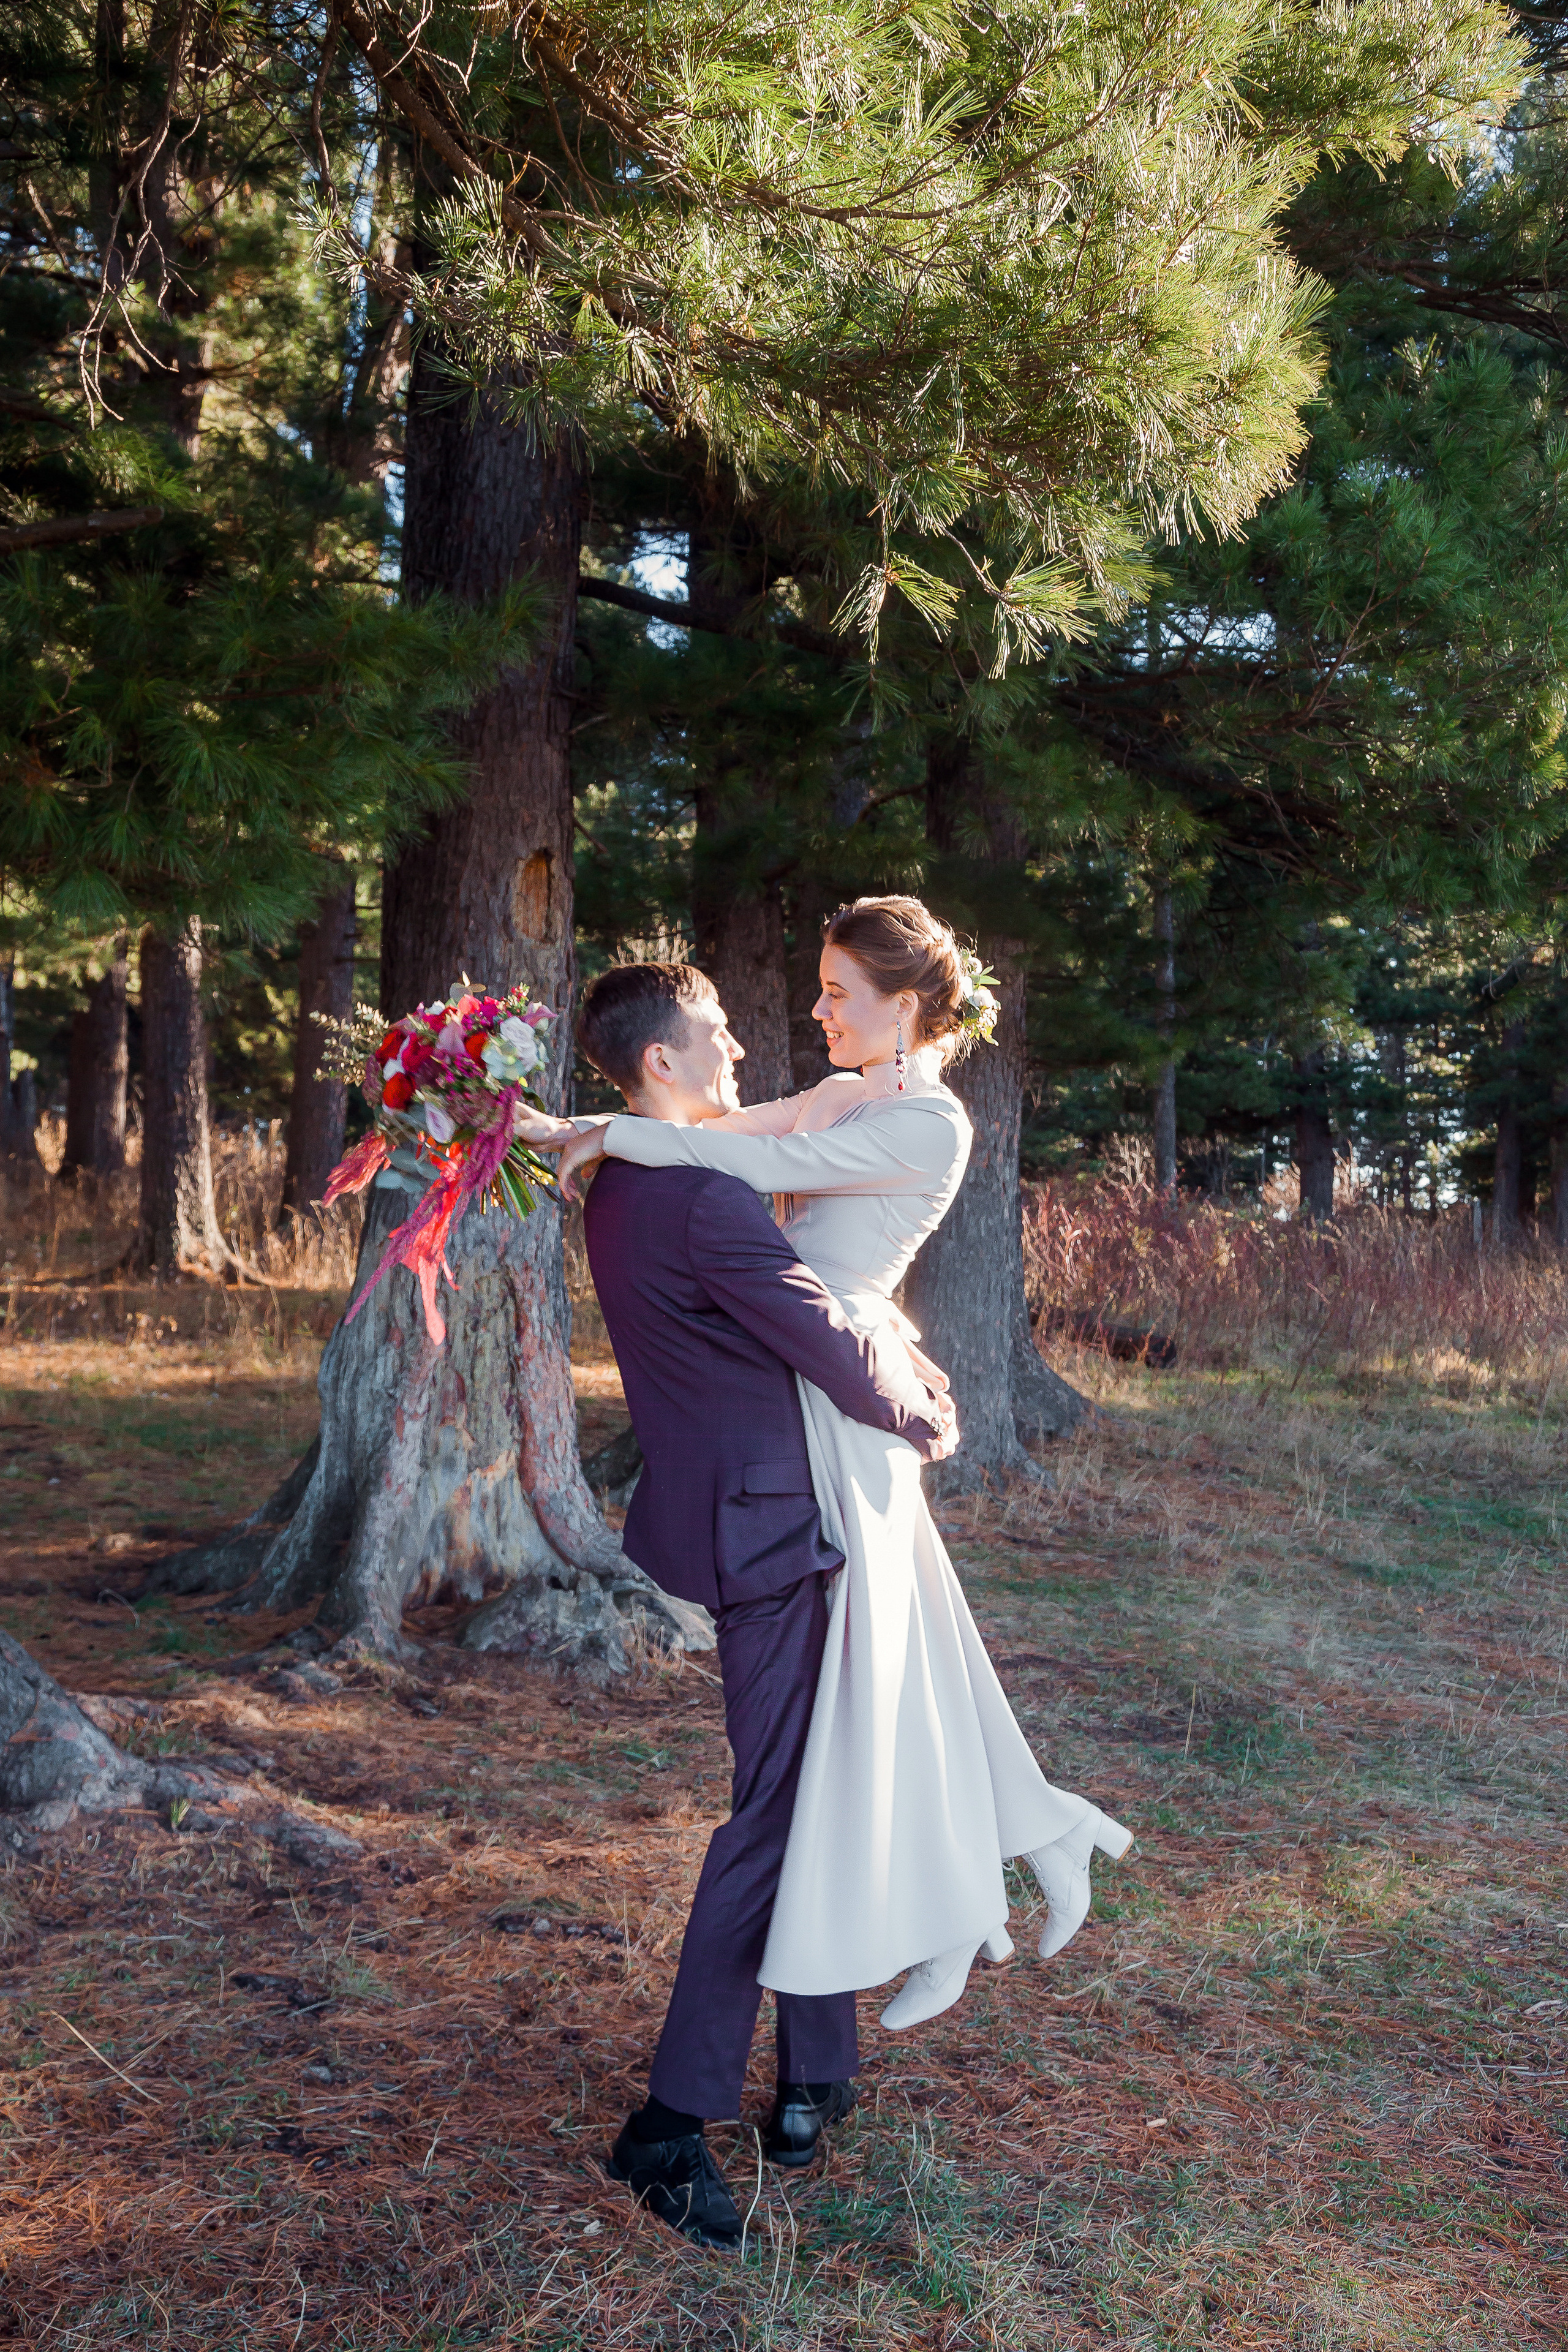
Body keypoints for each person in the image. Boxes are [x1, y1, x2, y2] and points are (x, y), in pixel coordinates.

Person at [532, 896, 1131, 2047]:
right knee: (898, 1669)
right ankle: (1020, 1856)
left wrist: (600, 1132)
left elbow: (719, 1155)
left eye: (837, 994)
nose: (814, 1012)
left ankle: (978, 1893)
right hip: (816, 1386)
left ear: (903, 1008)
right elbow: (732, 1130)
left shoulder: (933, 1124)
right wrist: (573, 1127)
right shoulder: (850, 1093)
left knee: (887, 1676)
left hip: (849, 1397)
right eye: (819, 988)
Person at [568, 959, 956, 2255]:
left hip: (742, 1515)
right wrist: (922, 1410)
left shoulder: (624, 1184)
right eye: (717, 1028)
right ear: (663, 1063)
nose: (740, 1041)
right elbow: (826, 1348)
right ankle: (668, 2124)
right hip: (775, 1532)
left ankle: (817, 2067)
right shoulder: (697, 1199)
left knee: (813, 1784)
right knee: (777, 1816)